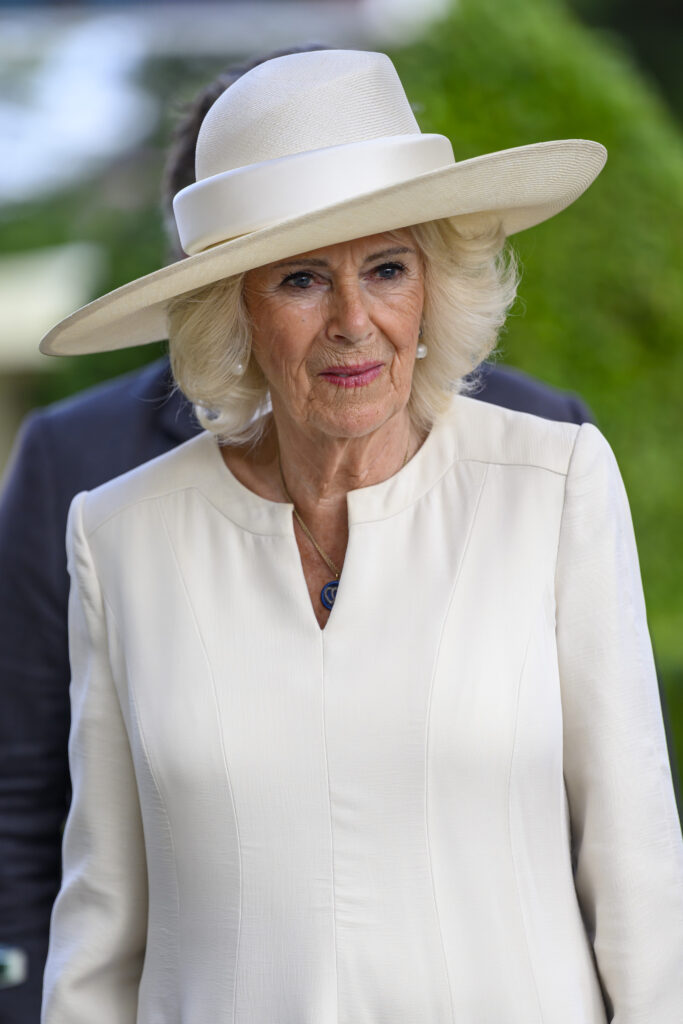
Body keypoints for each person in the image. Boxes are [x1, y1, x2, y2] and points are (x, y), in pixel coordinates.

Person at [18, 48, 683, 1022]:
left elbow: (635, 866)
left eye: (384, 268)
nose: (352, 321)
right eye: (298, 279)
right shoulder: (120, 534)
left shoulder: (551, 486)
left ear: (430, 287)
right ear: (233, 311)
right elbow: (102, 925)